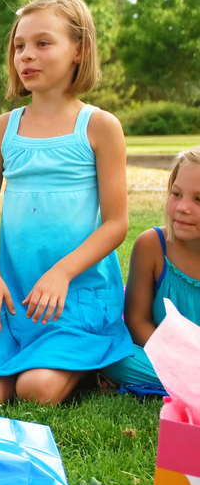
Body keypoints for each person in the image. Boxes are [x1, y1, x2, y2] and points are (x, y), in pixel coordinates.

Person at [0, 0, 133, 406]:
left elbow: (117, 223)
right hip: (14, 294)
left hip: (74, 292)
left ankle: (87, 359)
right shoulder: (1, 129)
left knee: (35, 389)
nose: (26, 55)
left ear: (79, 50)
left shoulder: (99, 126)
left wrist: (62, 273)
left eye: (43, 43)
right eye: (19, 46)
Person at [101, 148, 200, 395]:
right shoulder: (152, 245)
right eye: (177, 194)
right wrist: (179, 359)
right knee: (111, 354)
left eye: (199, 199)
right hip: (158, 351)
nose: (183, 207)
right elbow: (137, 321)